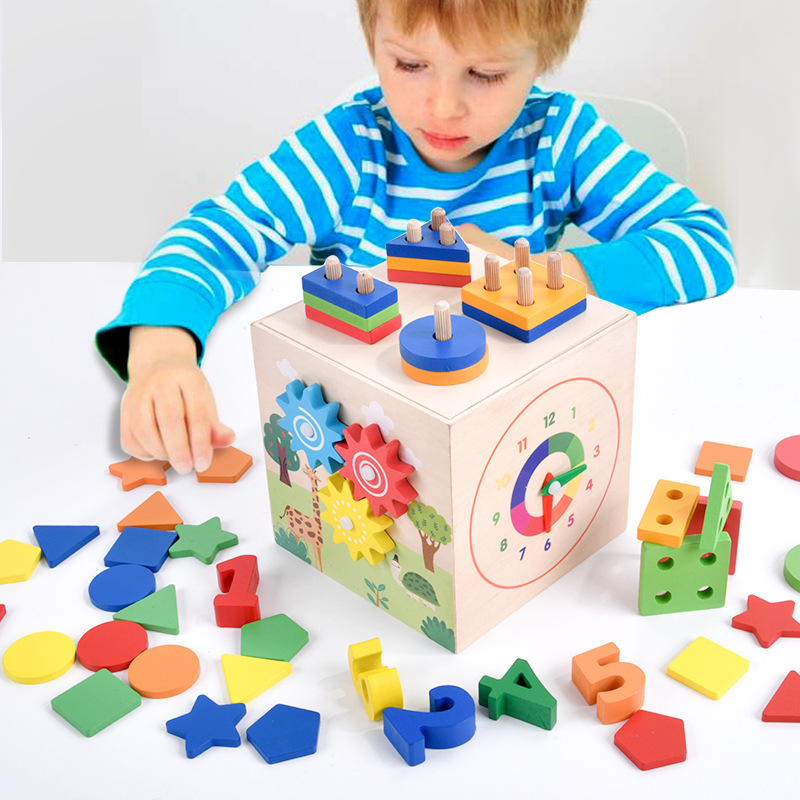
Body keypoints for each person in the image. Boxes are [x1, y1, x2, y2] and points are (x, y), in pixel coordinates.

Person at [96, 0, 735, 475]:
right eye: (409, 64)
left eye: (485, 73)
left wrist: (548, 277)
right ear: (373, 39)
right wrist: (161, 354)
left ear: (543, 59)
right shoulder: (350, 149)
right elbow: (218, 234)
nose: (442, 107)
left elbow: (704, 242)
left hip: (512, 439)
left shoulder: (558, 138)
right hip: (363, 446)